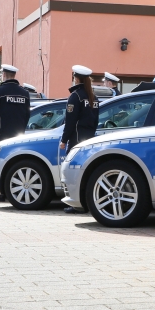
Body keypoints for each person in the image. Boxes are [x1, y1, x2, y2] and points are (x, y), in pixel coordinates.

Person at [0, 64, 30, 201]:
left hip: (3, 133)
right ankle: (14, 192)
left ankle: (0, 192)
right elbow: (27, 115)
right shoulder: (25, 93)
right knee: (16, 162)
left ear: (4, 75)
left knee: (1, 162)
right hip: (19, 134)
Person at [60, 65, 100, 214]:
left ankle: (76, 204)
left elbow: (70, 122)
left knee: (73, 171)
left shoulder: (75, 96)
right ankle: (85, 202)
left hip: (76, 139)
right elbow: (96, 120)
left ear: (76, 78)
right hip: (89, 138)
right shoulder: (93, 97)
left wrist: (64, 140)